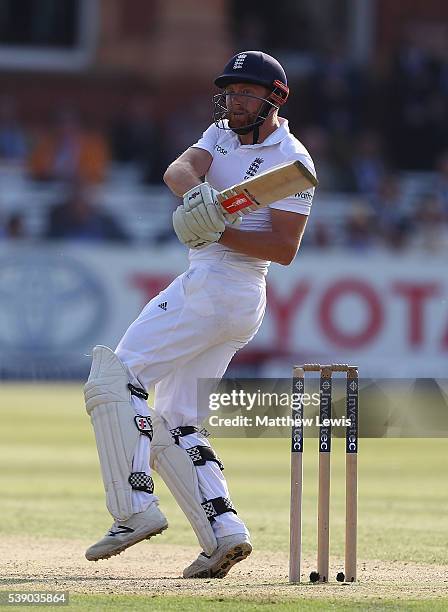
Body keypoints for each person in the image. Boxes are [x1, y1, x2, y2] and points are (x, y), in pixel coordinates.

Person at [84, 51, 316, 579]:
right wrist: (203, 198)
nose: (234, 100)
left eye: (246, 93)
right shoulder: (221, 133)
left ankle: (133, 509)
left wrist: (217, 229)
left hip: (227, 282)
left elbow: (283, 248)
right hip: (227, 297)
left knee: (115, 378)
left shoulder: (293, 160)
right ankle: (223, 532)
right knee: (177, 418)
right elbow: (178, 169)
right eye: (231, 91)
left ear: (274, 99)